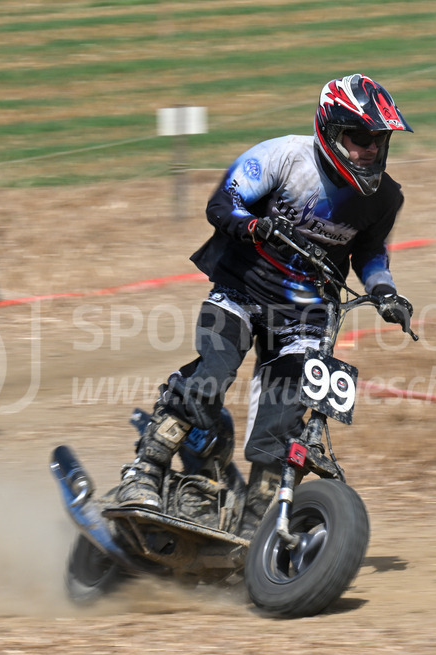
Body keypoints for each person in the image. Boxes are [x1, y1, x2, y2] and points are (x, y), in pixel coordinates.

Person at [115, 74, 415, 535]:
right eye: (361, 136)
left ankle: (256, 524)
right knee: (211, 376)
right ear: (332, 130)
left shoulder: (385, 198)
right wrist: (254, 227)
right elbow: (223, 203)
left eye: (380, 138)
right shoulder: (281, 157)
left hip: (309, 315)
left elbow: (369, 252)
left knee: (282, 419)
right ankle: (144, 472)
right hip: (240, 291)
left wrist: (385, 291)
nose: (372, 148)